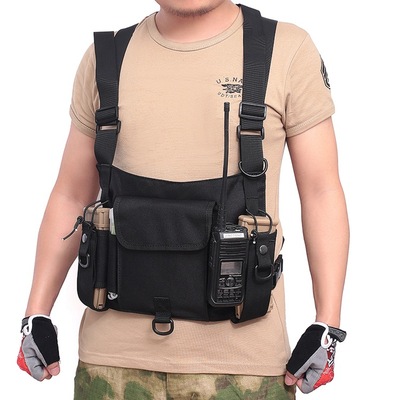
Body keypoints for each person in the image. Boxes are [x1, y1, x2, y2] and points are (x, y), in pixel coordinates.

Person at [17, 1, 349, 399]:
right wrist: (36, 313)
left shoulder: (285, 49)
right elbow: (71, 194)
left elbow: (321, 191)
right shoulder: (106, 58)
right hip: (110, 367)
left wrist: (327, 324)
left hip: (244, 370)